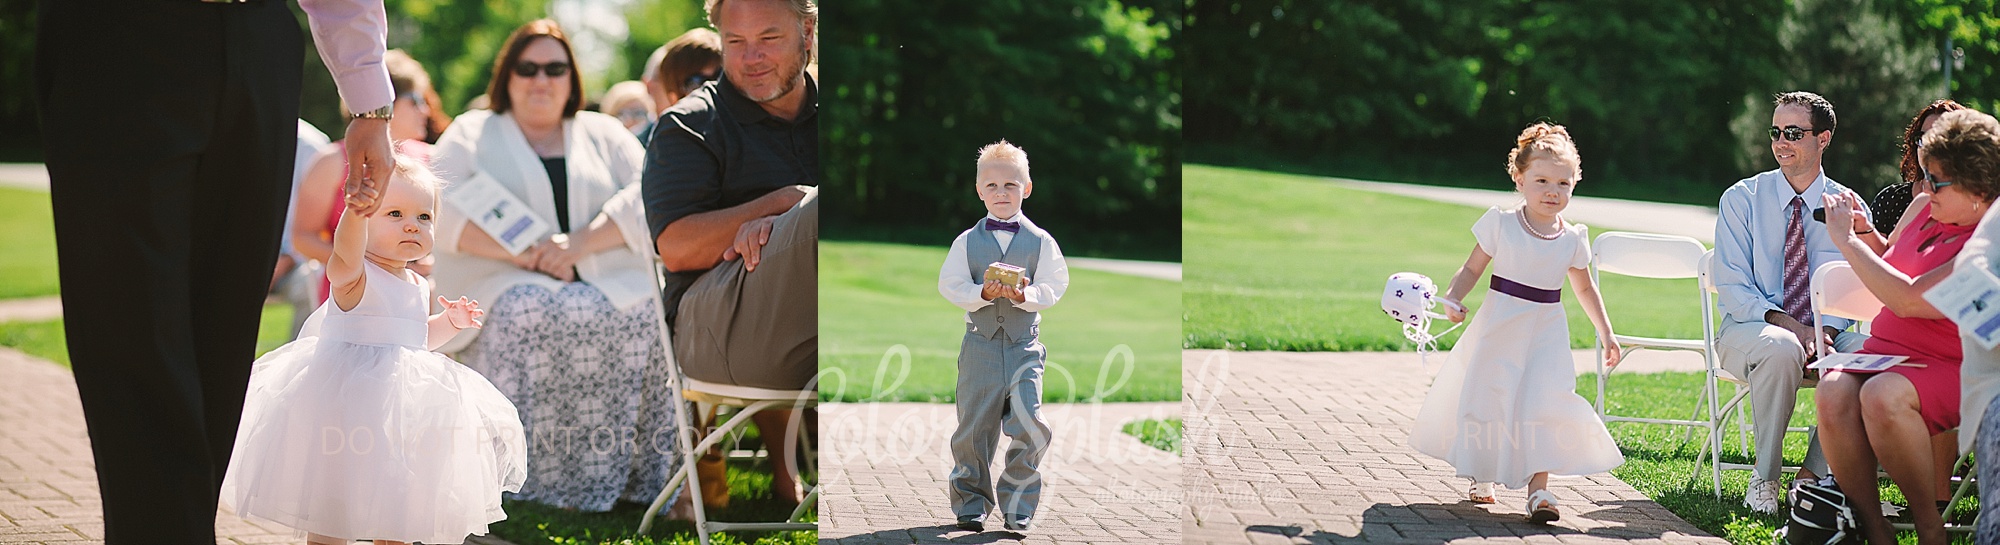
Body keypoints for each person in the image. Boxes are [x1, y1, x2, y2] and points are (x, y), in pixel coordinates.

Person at [35, 0, 398, 541]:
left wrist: (370, 105)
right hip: (114, 34)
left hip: (260, 40)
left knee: (223, 334)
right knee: (131, 320)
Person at [429, 19, 685, 513]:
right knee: (528, 308)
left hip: (602, 274)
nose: (541, 79)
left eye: (555, 68)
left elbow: (649, 193)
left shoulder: (604, 133)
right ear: (507, 76)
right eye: (527, 68)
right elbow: (441, 202)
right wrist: (526, 255)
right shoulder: (473, 132)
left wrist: (578, 245)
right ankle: (517, 478)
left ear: (573, 78)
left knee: (644, 315)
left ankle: (636, 479)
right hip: (504, 278)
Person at [221, 155, 525, 545]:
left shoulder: (419, 283)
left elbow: (414, 340)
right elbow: (345, 251)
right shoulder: (355, 276)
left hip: (402, 412)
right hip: (346, 409)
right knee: (333, 504)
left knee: (398, 504)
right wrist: (355, 212)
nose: (412, 225)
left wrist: (450, 323)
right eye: (394, 213)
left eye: (424, 217)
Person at [643, 0, 819, 506]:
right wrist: (786, 205)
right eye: (735, 42)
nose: (751, 58)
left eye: (769, 39)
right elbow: (675, 248)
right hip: (717, 334)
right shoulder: (689, 125)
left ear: (807, 31)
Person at [1409, 122, 1624, 524]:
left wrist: (1606, 331)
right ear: (1520, 179)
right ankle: (1482, 472)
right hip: (1500, 325)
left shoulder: (1573, 237)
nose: (1552, 191)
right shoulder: (1502, 224)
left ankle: (1539, 491)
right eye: (1541, 180)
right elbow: (1471, 268)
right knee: (1489, 398)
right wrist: (1454, 297)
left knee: (1545, 400)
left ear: (1575, 184)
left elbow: (1585, 289)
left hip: (1546, 332)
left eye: (1563, 183)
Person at [1814, 108, 1999, 545]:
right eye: (1925, 175)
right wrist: (1868, 234)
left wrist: (1846, 240)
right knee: (1833, 391)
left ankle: (1929, 525)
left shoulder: (1990, 236)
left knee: (1882, 395)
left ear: (1977, 186)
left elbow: (1907, 297)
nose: (1925, 186)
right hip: (1888, 348)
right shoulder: (1922, 206)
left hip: (1951, 362)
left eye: (1937, 180)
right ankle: (1874, 528)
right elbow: (1893, 261)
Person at [1712, 91, 1873, 513]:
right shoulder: (1741, 199)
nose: (1781, 141)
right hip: (1749, 333)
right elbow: (1732, 287)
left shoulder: (1849, 206)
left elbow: (1857, 284)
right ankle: (1764, 479)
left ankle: (1813, 477)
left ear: (1823, 139)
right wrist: (1797, 329)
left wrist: (1827, 333)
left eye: (1794, 133)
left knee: (1872, 355)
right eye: (1776, 132)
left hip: (1829, 333)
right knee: (1782, 347)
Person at [937, 140, 1069, 533]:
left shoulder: (1042, 241)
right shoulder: (966, 241)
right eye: (991, 186)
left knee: (1030, 424)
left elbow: (1055, 285)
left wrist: (1025, 294)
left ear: (1026, 188)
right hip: (979, 344)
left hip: (1024, 345)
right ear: (979, 191)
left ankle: (1018, 505)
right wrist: (982, 292)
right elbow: (950, 284)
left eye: (1010, 185)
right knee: (973, 428)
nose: (1001, 193)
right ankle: (971, 502)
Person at [294, 50, 445, 306]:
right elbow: (302, 238)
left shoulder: (431, 159)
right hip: (352, 296)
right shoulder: (332, 162)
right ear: (385, 101)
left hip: (415, 296)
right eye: (416, 100)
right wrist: (367, 265)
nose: (426, 110)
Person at [1872, 100, 1969, 237]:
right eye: (1922, 137)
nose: (1926, 146)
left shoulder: (1975, 210)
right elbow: (1881, 253)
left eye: (1937, 138)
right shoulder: (1892, 199)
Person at [637, 28, 723, 147]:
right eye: (696, 82)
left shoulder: (751, 136)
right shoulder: (667, 149)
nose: (711, 87)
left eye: (720, 77)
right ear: (673, 96)